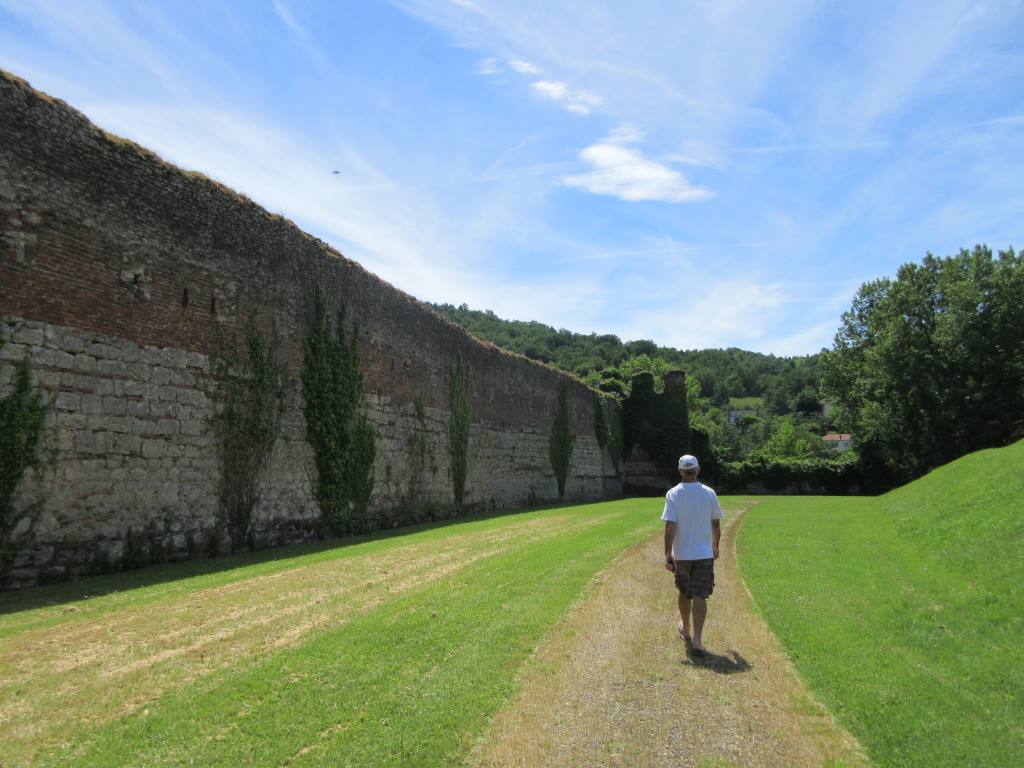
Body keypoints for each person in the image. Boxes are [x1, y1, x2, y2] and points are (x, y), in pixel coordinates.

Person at [662, 454, 723, 656]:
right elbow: (715, 524)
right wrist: (715, 546)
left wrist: (667, 554)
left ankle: (686, 628)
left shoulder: (673, 494)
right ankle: (697, 639)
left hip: (682, 555)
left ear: (680, 471)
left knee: (684, 592)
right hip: (703, 554)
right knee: (700, 595)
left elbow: (671, 525)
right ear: (698, 470)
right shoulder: (709, 493)